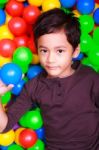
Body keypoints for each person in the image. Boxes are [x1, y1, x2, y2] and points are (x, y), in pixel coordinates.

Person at [0, 8, 99, 150]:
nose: (50, 59)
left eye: (59, 51)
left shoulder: (90, 78)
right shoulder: (34, 86)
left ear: (75, 51)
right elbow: (4, 126)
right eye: (44, 51)